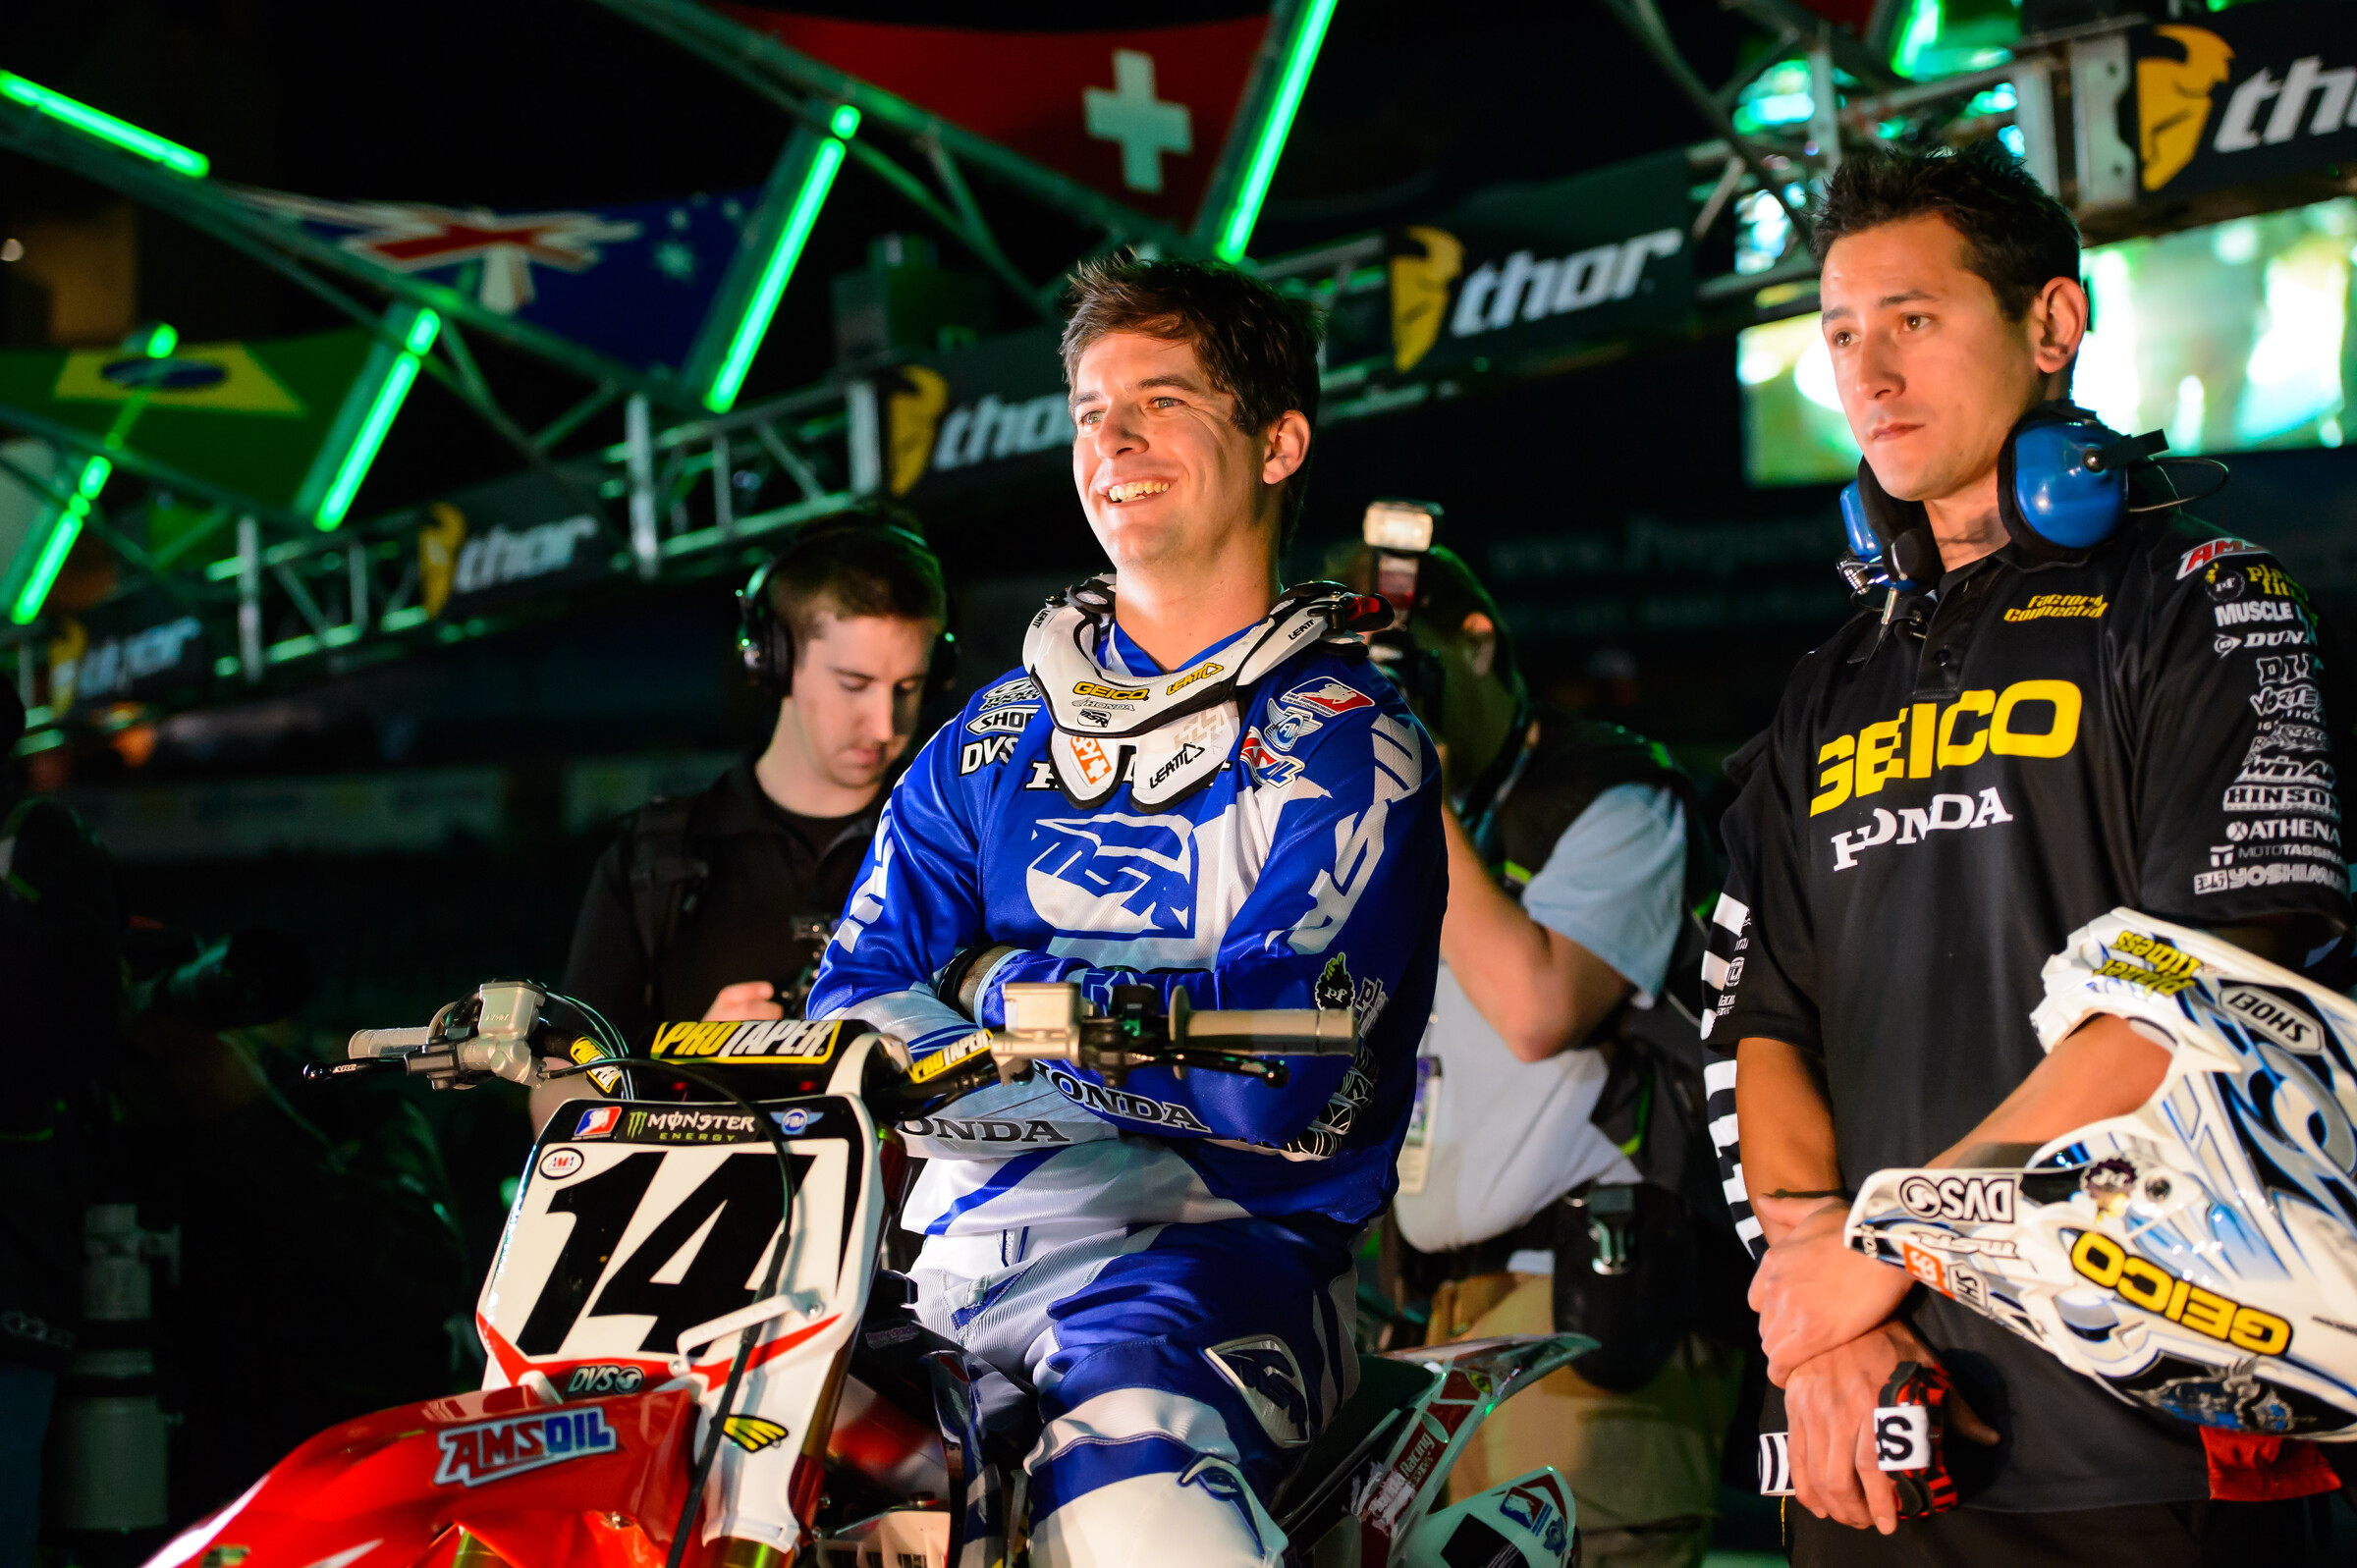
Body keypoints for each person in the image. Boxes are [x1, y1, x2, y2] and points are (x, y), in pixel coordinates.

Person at [1707, 142, 2350, 1565]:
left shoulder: (2204, 598)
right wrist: (1818, 1326)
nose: (1865, 375)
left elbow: (2207, 986)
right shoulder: (1828, 681)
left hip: (2157, 1431)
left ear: (2053, 325)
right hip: (1885, 1430)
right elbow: (1761, 1020)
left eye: (1913, 321)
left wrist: (1876, 1255)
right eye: (1839, 334)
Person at [806, 255, 1446, 1567]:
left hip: (1216, 1262)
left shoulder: (1341, 738)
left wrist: (993, 989)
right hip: (936, 1265)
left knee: (1134, 1513)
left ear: (1278, 442)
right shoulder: (990, 735)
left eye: (1161, 401)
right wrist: (1133, 1027)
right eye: (1093, 410)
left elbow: (1270, 1068)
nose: (1115, 438)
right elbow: (845, 1008)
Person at [1339, 536, 1746, 1568]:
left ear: (1475, 646)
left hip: (1586, 1313)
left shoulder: (1617, 791)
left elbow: (1537, 1007)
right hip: (1435, 1313)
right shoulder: (1393, 825)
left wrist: (1405, 778)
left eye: (1405, 675)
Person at [553, 518, 948, 1083]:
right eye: (854, 685)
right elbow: (554, 1097)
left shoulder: (954, 845)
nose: (886, 724)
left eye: (908, 688)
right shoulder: (650, 860)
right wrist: (687, 1068)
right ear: (774, 662)